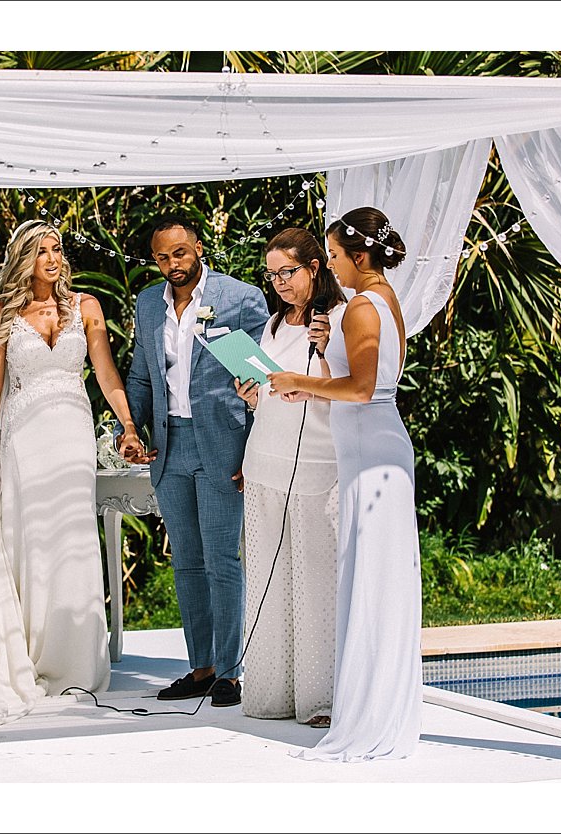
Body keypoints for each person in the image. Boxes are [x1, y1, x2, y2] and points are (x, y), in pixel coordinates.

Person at [0, 219, 145, 732]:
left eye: (57, 249)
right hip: (24, 440)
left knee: (73, 538)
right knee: (31, 540)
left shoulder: (87, 308)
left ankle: (76, 659)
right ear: (23, 260)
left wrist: (127, 427)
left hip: (73, 433)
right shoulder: (4, 314)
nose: (52, 259)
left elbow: (105, 372)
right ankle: (28, 653)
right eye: (40, 252)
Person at [267, 206, 422, 761]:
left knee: (373, 579)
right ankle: (376, 705)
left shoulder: (362, 306)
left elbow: (360, 389)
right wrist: (308, 388)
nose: (330, 267)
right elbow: (363, 386)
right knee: (373, 579)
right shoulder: (381, 302)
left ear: (359, 257)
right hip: (373, 449)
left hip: (372, 455)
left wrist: (298, 379)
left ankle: (371, 715)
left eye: (333, 257)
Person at [119, 213, 270, 708]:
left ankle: (229, 671)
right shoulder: (147, 304)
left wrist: (254, 448)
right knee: (186, 560)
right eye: (162, 257)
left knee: (222, 558)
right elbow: (141, 376)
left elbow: (259, 381)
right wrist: (132, 428)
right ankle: (200, 667)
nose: (171, 264)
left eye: (179, 253)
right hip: (169, 445)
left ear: (199, 247)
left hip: (224, 444)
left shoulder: (240, 298)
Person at [232, 228, 346, 727]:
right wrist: (250, 392)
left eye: (288, 272)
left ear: (316, 267)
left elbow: (352, 388)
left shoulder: (339, 319)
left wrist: (323, 353)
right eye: (272, 273)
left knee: (317, 581)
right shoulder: (274, 323)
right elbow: (270, 388)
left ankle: (321, 698)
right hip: (266, 459)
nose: (279, 282)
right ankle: (272, 692)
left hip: (318, 464)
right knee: (269, 579)